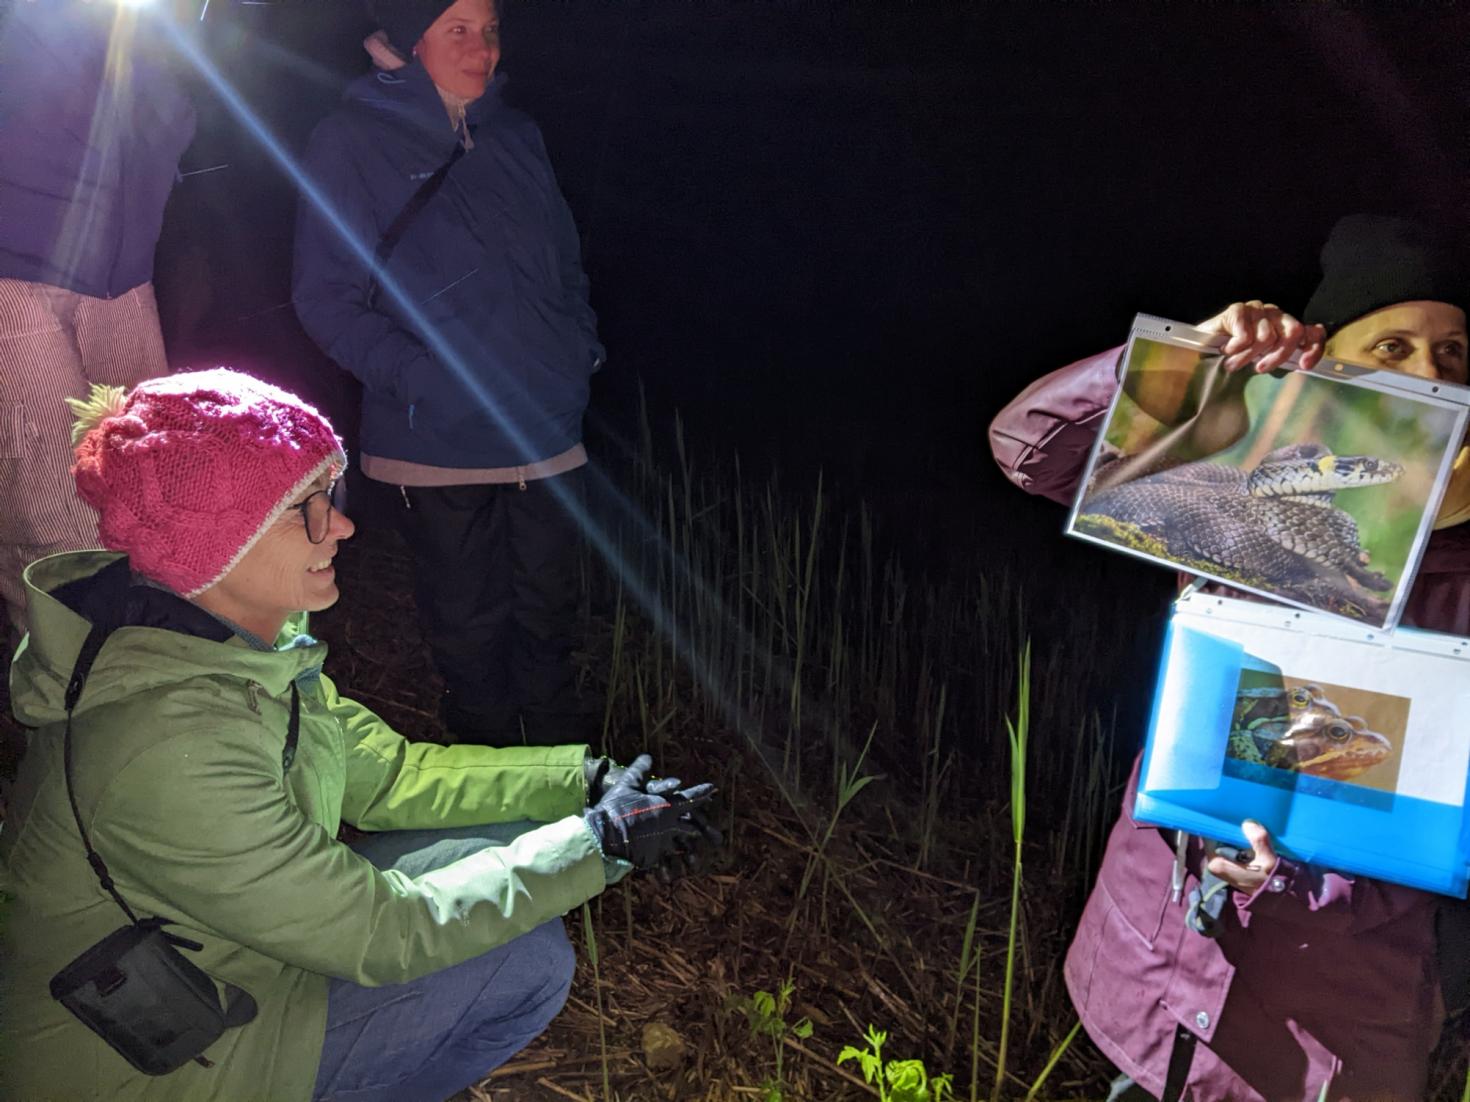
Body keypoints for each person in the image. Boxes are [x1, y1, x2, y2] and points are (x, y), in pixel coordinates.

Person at [0, 368, 717, 1101]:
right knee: (527, 964)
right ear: (218, 543)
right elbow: (385, 933)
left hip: (222, 961)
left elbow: (393, 775)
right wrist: (597, 843)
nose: (339, 525)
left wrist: (580, 782)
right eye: (304, 509)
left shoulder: (224, 648)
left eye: (330, 497)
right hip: (151, 1063)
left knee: (500, 839)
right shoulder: (168, 745)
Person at [988, 215, 1470, 1101]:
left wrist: (1304, 869)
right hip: (1167, 970)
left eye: (1452, 357)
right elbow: (1030, 449)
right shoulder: (1248, 490)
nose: (1425, 378)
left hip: (1341, 1025)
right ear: (1329, 364)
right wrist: (1193, 364)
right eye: (1393, 345)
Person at [292, 0, 605, 747]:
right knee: (470, 636)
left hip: (546, 428)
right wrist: (426, 378)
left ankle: (570, 789)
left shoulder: (518, 134)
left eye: (490, 29)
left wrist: (578, 352)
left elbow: (566, 265)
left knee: (550, 621)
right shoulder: (350, 139)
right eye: (457, 30)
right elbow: (325, 299)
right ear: (408, 39)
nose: (483, 48)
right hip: (434, 443)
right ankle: (491, 803)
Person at [0, 0, 195, 641]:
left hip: (124, 280)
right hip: (18, 279)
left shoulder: (148, 29)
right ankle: (63, 709)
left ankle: (139, 683)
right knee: (55, 527)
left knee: (150, 491)